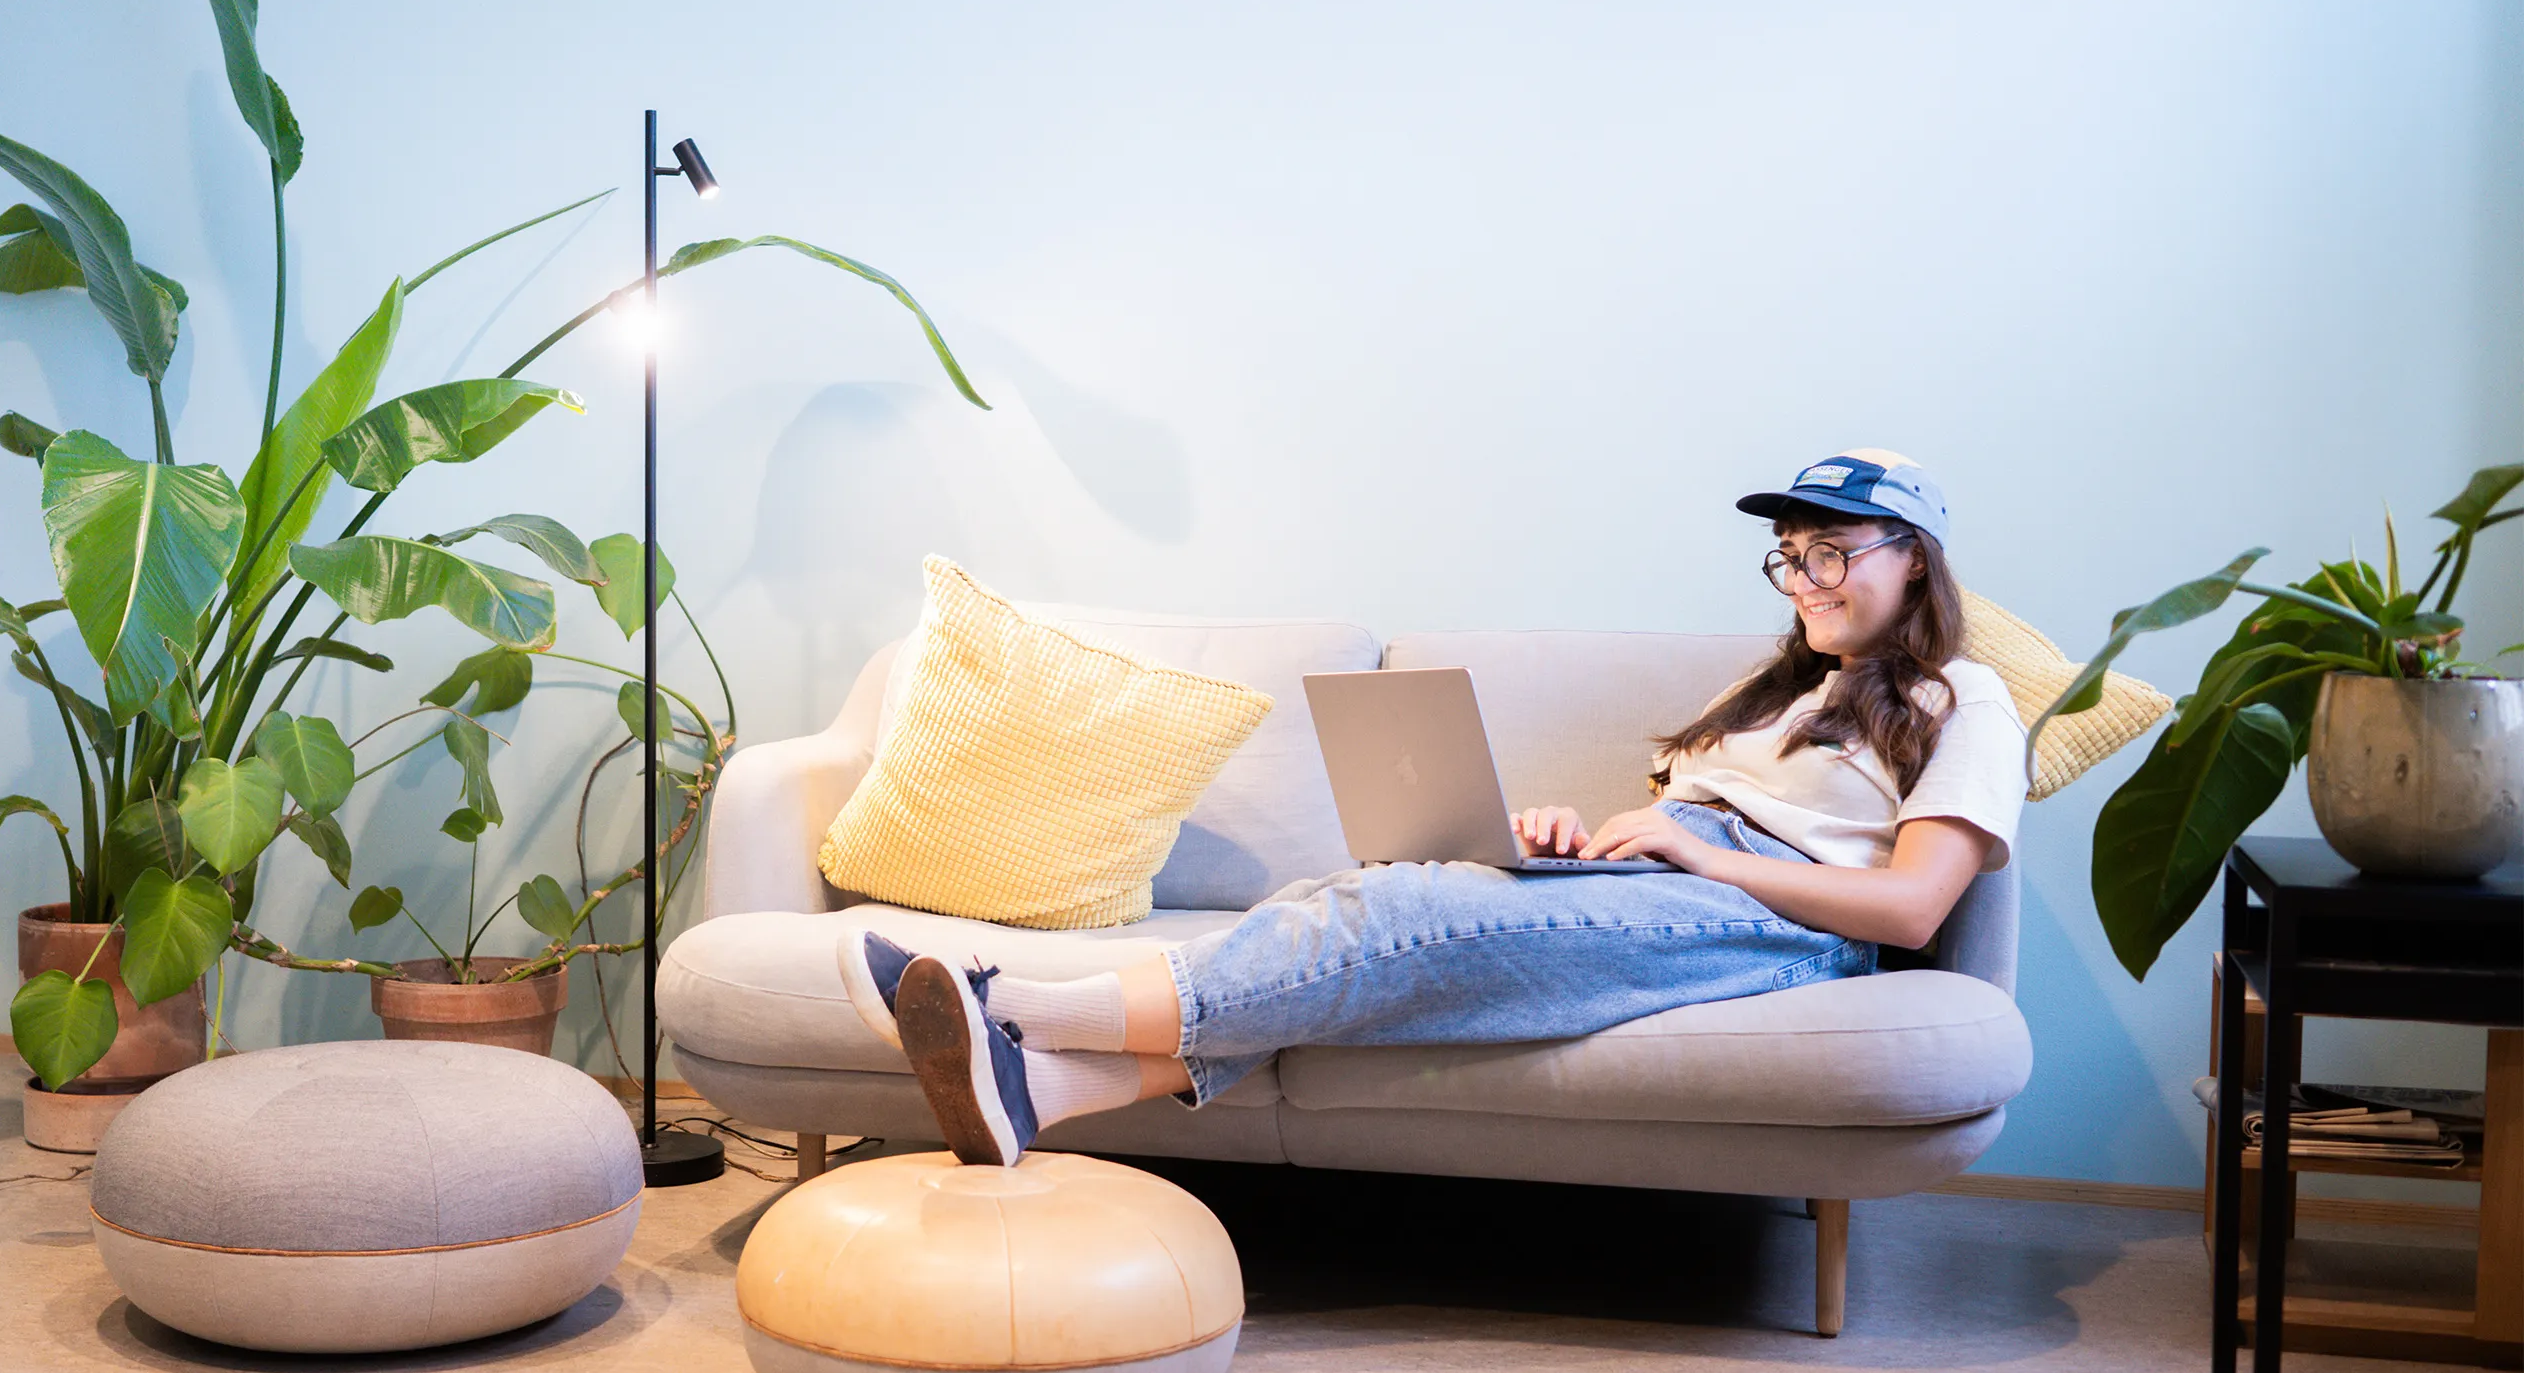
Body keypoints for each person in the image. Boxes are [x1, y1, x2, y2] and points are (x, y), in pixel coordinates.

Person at [839, 451, 2030, 1169]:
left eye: (1832, 553)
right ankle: (1041, 1090)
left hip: (1777, 929)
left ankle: (1009, 1004)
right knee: (1346, 904)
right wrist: (1592, 833)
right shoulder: (1769, 690)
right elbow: (1669, 828)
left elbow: (1914, 908)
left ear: (1913, 556)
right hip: (1671, 887)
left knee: (1401, 920)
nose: (1807, 579)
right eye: (1789, 557)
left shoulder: (1961, 697)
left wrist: (1698, 856)